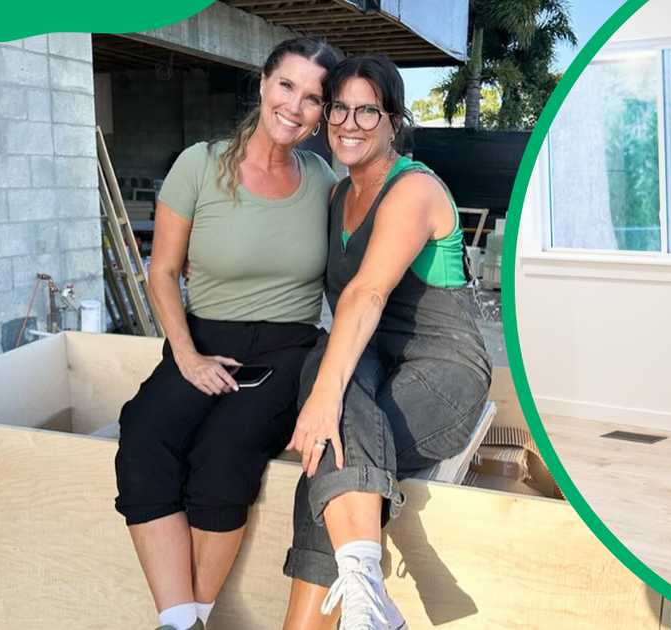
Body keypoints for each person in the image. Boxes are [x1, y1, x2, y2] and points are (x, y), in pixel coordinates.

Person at [113, 37, 339, 630]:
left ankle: (193, 618)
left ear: (322, 113)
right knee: (144, 435)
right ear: (263, 83)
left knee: (224, 453)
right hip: (203, 340)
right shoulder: (200, 164)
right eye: (286, 85)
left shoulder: (324, 181)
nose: (294, 106)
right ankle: (180, 621)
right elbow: (162, 272)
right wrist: (187, 357)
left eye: (312, 98)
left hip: (287, 349)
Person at [279, 54, 492, 630]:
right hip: (374, 364)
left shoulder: (414, 188)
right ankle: (369, 606)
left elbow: (366, 293)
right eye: (339, 108)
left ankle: (361, 604)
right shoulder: (335, 198)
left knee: (329, 454)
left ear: (394, 121)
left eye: (367, 111)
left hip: (443, 370)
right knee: (325, 367)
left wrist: (322, 402)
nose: (350, 123)